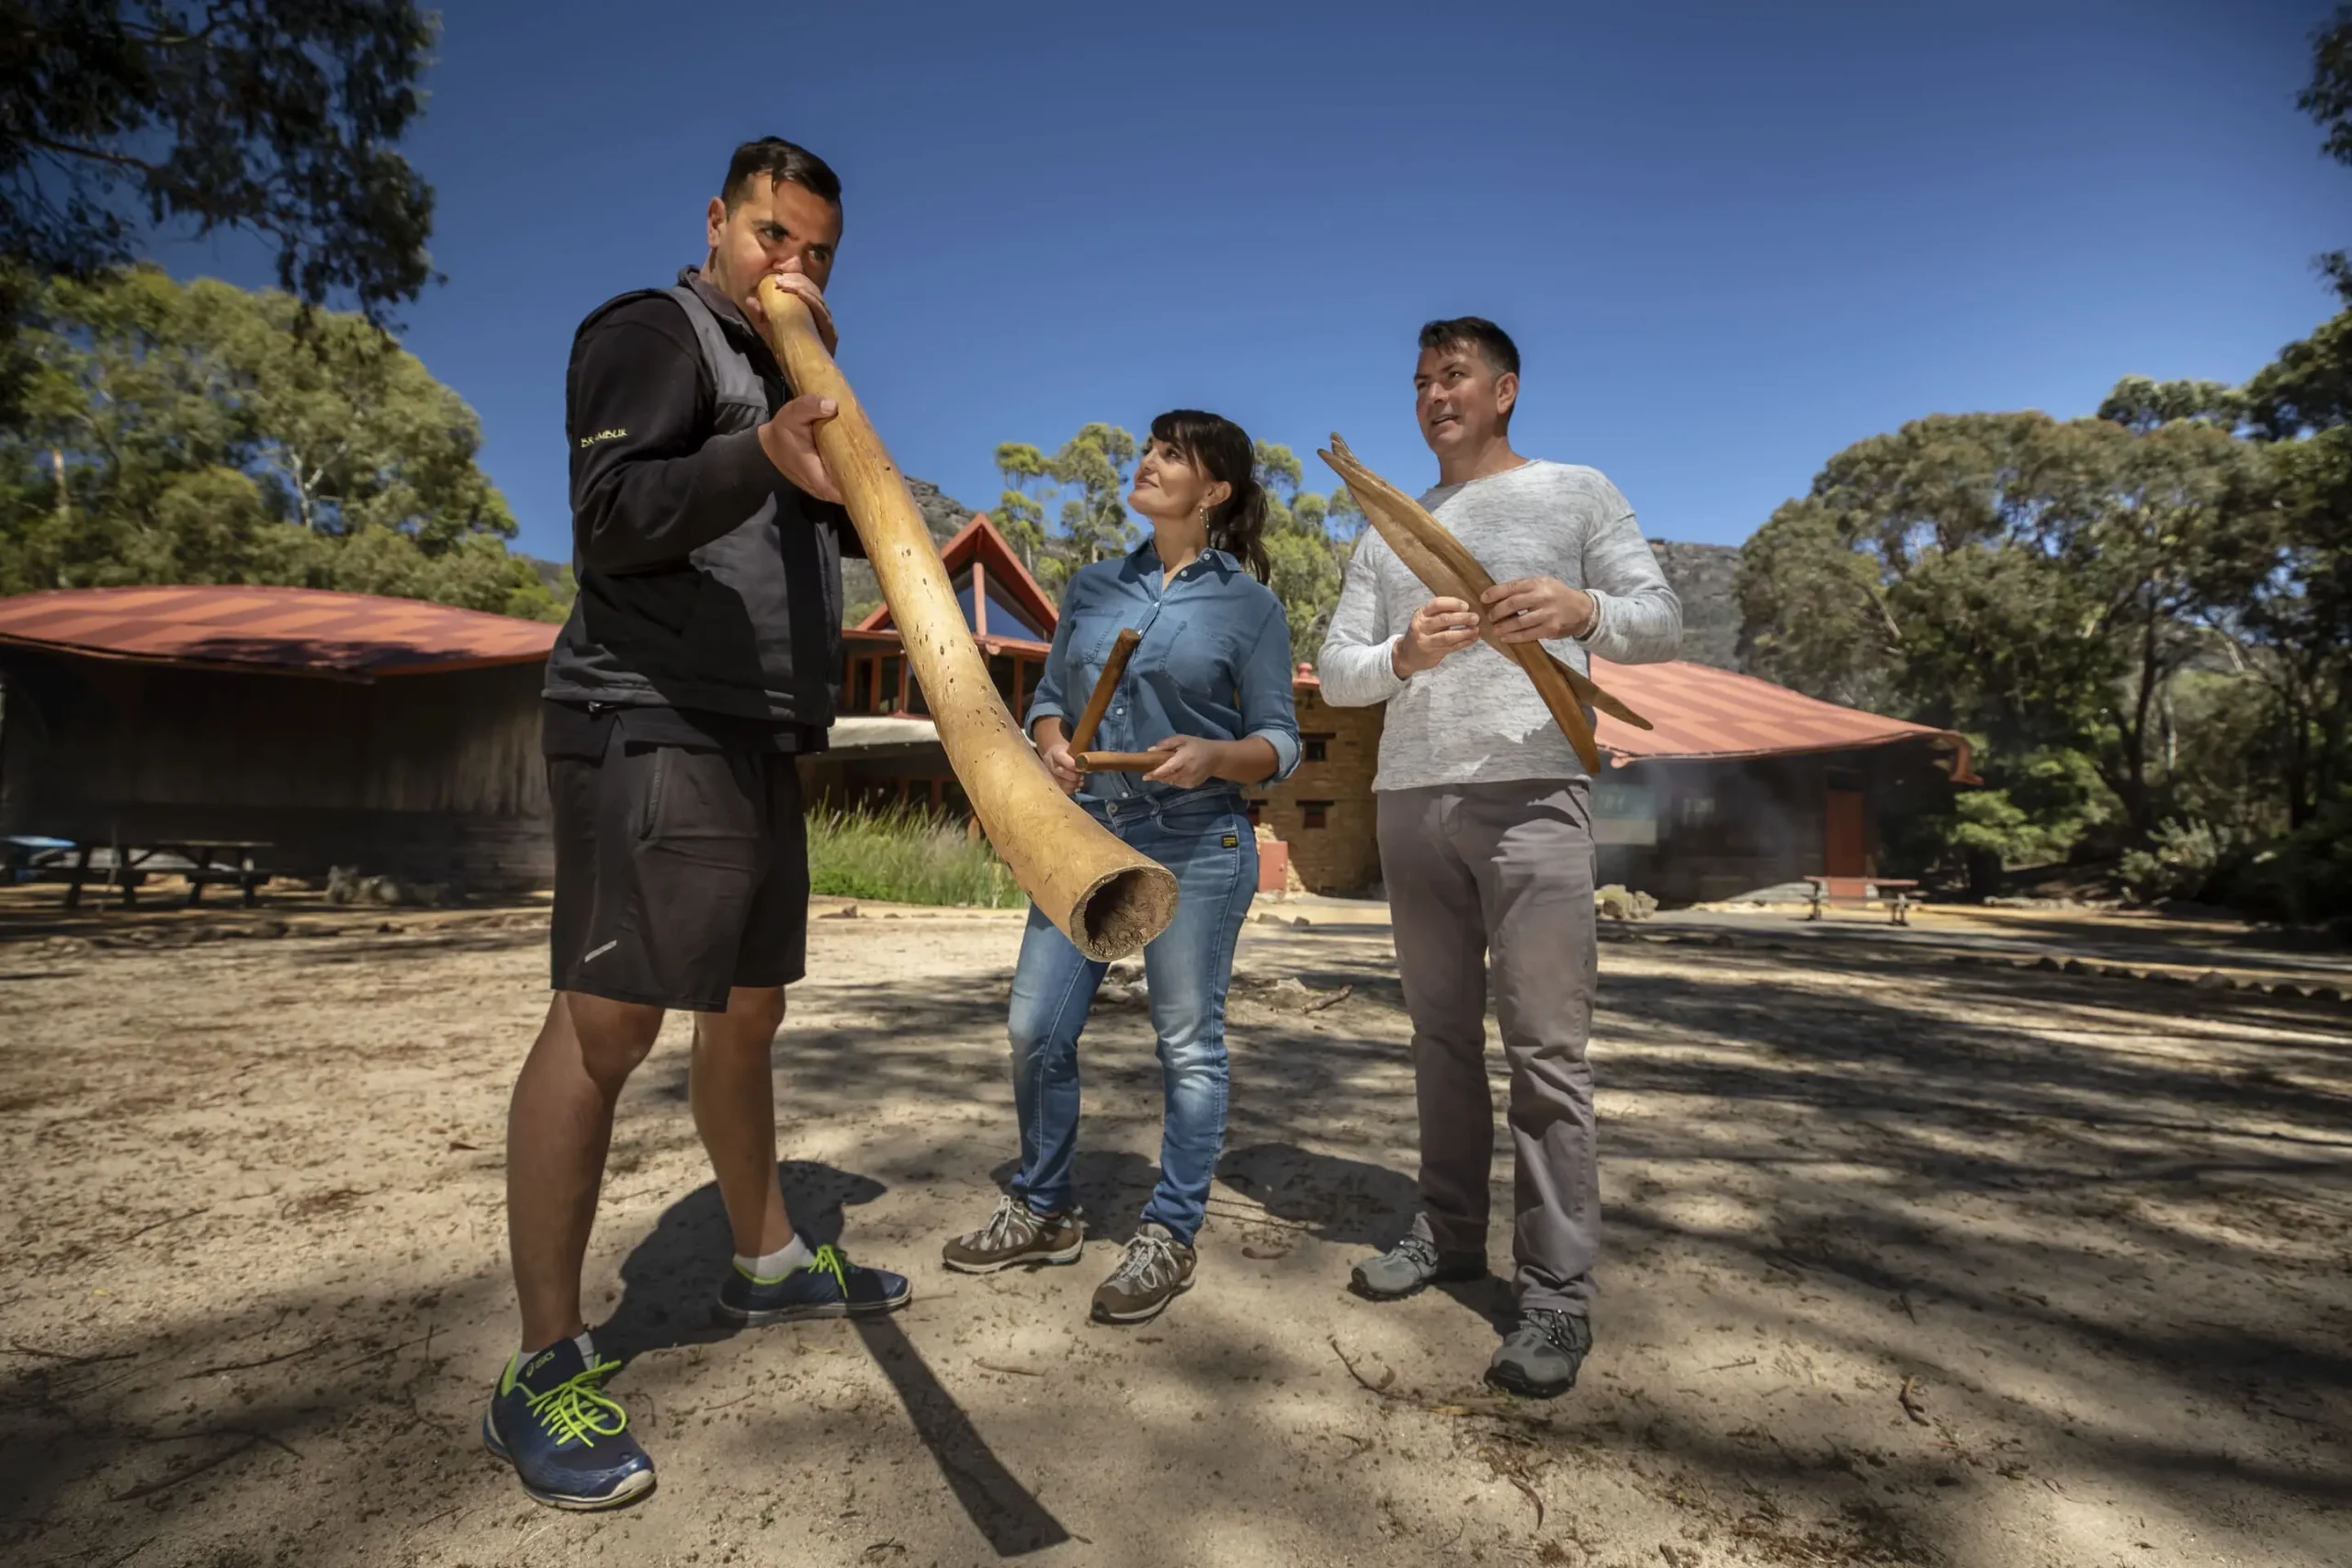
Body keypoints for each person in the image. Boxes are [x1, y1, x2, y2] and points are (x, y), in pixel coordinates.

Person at [483, 137, 910, 1512]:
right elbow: (611, 517)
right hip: (647, 715)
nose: (795, 266)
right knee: (608, 1020)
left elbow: (811, 533)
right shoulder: (652, 330)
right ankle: (543, 1362)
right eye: (774, 237)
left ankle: (768, 1256)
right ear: (719, 222)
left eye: (819, 252)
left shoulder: (791, 375)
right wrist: (764, 448)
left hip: (755, 734)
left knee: (749, 1010)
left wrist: (813, 431)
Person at [1317, 318, 1681, 1399]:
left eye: (1456, 376)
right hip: (1409, 800)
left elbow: (1658, 619)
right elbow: (1338, 672)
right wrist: (1401, 652)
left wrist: (1584, 609)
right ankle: (1448, 1231)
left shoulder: (1575, 492)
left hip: (1533, 798)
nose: (1435, 394)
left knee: (1545, 1052)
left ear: (1505, 389)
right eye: (1422, 379)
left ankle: (1557, 1296)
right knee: (1437, 1039)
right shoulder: (1387, 527)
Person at [941, 412, 1300, 1325]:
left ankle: (1169, 1233)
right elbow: (1053, 702)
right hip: (1085, 840)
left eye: (1172, 454)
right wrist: (1057, 748)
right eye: (1149, 447)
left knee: (1186, 1043)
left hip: (1199, 843)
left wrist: (1218, 757)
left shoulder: (1250, 606)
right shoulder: (1095, 586)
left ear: (1214, 491)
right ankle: (1044, 1206)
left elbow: (1280, 742)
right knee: (1035, 1028)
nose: (1148, 462)